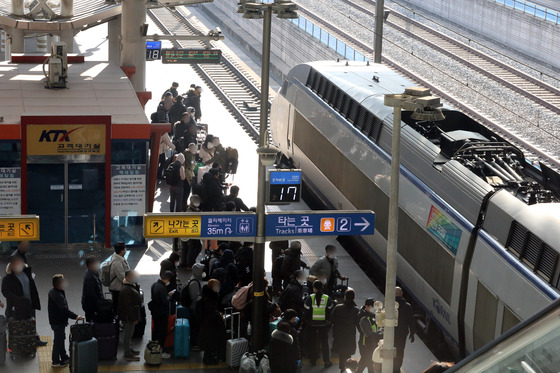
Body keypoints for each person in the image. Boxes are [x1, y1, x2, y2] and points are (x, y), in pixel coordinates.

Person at [2, 255, 47, 346]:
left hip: (29, 304)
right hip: (17, 307)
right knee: (19, 325)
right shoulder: (7, 278)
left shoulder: (26, 273)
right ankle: (19, 343)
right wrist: (18, 299)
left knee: (31, 322)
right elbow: (5, 292)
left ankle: (35, 339)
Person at [48, 274, 84, 368]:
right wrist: (76, 316)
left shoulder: (53, 291)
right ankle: (55, 361)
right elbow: (64, 310)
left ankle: (64, 357)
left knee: (60, 339)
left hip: (56, 321)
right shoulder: (58, 295)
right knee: (58, 341)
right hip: (58, 322)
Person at [195, 279, 226, 365]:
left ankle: (208, 357)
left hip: (206, 325)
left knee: (208, 343)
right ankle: (210, 358)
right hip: (211, 325)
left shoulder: (205, 295)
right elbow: (211, 311)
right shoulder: (211, 298)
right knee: (212, 343)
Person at [304, 280, 334, 368]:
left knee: (312, 342)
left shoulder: (310, 298)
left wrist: (305, 321)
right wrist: (327, 320)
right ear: (322, 287)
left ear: (314, 288)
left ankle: (313, 360)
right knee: (324, 343)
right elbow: (330, 311)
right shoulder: (327, 298)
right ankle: (326, 361)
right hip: (323, 324)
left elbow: (306, 312)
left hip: (311, 324)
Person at [331, 289, 360, 373]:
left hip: (339, 336)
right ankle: (348, 368)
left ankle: (342, 369)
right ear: (353, 298)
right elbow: (358, 325)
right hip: (349, 336)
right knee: (348, 354)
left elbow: (332, 319)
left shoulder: (338, 308)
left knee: (341, 353)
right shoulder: (355, 310)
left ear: (345, 297)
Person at [150, 270, 175, 359]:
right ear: (167, 279)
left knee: (156, 331)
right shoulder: (162, 288)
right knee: (162, 333)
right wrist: (169, 295)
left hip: (155, 312)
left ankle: (154, 348)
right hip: (162, 314)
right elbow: (165, 301)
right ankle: (161, 351)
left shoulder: (154, 284)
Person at [118, 270, 143, 361]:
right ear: (127, 278)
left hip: (130, 316)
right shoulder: (126, 289)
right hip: (128, 317)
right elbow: (127, 306)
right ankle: (127, 354)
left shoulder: (129, 286)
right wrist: (133, 318)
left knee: (129, 334)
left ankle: (129, 350)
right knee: (128, 335)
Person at [394, 287, 416, 373]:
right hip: (402, 333)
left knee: (390, 350)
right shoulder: (407, 306)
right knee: (400, 351)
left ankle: (391, 366)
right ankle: (397, 368)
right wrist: (412, 333)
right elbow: (411, 320)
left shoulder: (389, 305)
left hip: (391, 332)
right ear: (401, 294)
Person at [357, 298, 381, 373]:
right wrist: (381, 334)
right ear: (366, 306)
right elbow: (369, 333)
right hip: (366, 345)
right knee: (365, 363)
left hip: (371, 344)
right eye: (372, 307)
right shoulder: (363, 318)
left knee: (369, 364)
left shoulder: (372, 315)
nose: (374, 309)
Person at [180, 195, 203, 269]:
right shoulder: (190, 211)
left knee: (186, 247)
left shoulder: (192, 209)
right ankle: (189, 264)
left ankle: (184, 262)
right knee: (193, 247)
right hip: (191, 232)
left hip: (187, 233)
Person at [108, 242, 130, 314]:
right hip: (117, 288)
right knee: (118, 306)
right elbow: (122, 276)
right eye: (124, 249)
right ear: (121, 251)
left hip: (119, 287)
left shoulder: (119, 258)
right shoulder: (117, 262)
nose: (125, 250)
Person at [81, 256, 104, 322]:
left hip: (92, 306)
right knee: (93, 325)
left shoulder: (93, 274)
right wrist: (100, 304)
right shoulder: (90, 277)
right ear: (91, 265)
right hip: (91, 307)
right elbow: (91, 294)